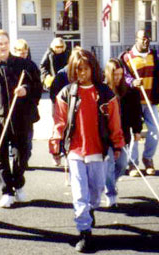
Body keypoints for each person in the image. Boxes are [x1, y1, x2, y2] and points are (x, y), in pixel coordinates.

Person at [49, 48, 125, 252]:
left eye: (86, 69)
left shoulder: (105, 93)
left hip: (98, 150)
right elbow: (60, 123)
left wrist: (117, 144)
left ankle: (90, 210)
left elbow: (115, 123)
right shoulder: (66, 93)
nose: (82, 73)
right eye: (77, 70)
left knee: (97, 190)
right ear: (72, 70)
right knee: (79, 193)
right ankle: (84, 232)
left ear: (93, 68)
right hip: (75, 151)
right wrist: (56, 145)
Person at [0, 30, 40, 208]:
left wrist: (26, 90)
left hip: (21, 117)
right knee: (1, 158)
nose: (3, 46)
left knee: (23, 153)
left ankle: (18, 183)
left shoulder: (25, 65)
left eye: (5, 42)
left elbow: (37, 86)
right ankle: (6, 191)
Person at [120, 29, 159, 177]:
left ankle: (148, 159)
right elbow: (122, 75)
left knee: (155, 130)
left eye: (148, 39)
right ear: (136, 40)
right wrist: (132, 82)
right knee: (135, 132)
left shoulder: (154, 56)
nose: (146, 42)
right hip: (133, 101)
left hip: (150, 100)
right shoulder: (127, 57)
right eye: (143, 39)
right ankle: (132, 164)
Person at [104, 58, 143, 207]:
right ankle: (111, 194)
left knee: (121, 164)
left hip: (123, 135)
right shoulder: (102, 91)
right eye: (115, 75)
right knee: (108, 166)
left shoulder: (130, 92)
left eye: (120, 74)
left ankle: (110, 183)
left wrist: (137, 130)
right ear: (109, 73)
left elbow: (136, 112)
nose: (118, 78)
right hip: (105, 136)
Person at [13, 39, 43, 162]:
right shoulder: (10, 65)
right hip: (13, 107)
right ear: (14, 51)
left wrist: (34, 100)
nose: (23, 55)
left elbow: (37, 86)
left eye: (25, 52)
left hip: (27, 107)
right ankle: (14, 158)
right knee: (14, 137)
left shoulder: (31, 66)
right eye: (20, 52)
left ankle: (25, 158)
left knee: (27, 136)